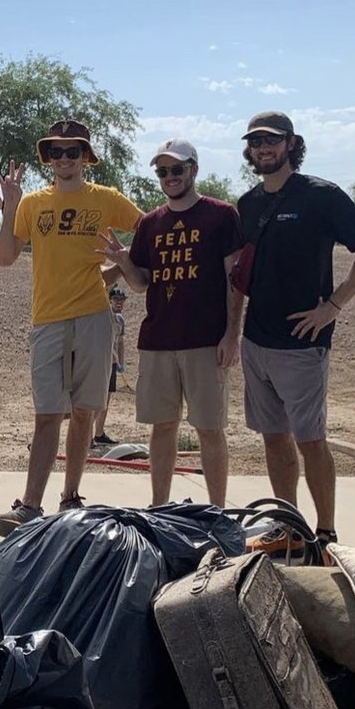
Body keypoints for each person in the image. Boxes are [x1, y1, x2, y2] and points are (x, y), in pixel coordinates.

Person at [236, 110, 355, 553]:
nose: (264, 148)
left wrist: (334, 305)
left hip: (303, 344)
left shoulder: (320, 196)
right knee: (273, 438)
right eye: (256, 142)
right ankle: (288, 527)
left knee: (311, 439)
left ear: (290, 144)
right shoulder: (248, 204)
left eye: (273, 140)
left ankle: (325, 534)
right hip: (256, 339)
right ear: (249, 150)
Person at [0, 119, 142, 537]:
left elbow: (148, 229)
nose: (64, 159)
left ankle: (71, 496)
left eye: (72, 152)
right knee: (47, 415)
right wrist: (10, 203)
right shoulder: (33, 203)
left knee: (84, 412)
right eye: (56, 152)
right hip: (47, 320)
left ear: (85, 158)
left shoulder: (106, 198)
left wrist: (117, 266)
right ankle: (30, 505)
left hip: (93, 317)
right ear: (48, 158)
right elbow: (4, 256)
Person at [100, 139, 245, 507]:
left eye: (177, 169)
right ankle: (159, 507)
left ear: (194, 170)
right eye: (163, 171)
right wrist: (124, 261)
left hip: (206, 341)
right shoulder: (150, 223)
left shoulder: (221, 215)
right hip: (158, 340)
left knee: (209, 428)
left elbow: (236, 280)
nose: (170, 177)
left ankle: (217, 510)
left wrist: (232, 333)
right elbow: (140, 283)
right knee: (162, 427)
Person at [91, 284, 127, 447]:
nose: (119, 303)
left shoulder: (120, 320)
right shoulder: (104, 316)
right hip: (101, 362)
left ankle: (99, 433)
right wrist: (113, 357)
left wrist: (121, 361)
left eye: (122, 300)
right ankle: (87, 435)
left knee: (106, 399)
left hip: (112, 364)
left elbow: (119, 341)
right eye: (116, 300)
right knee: (97, 400)